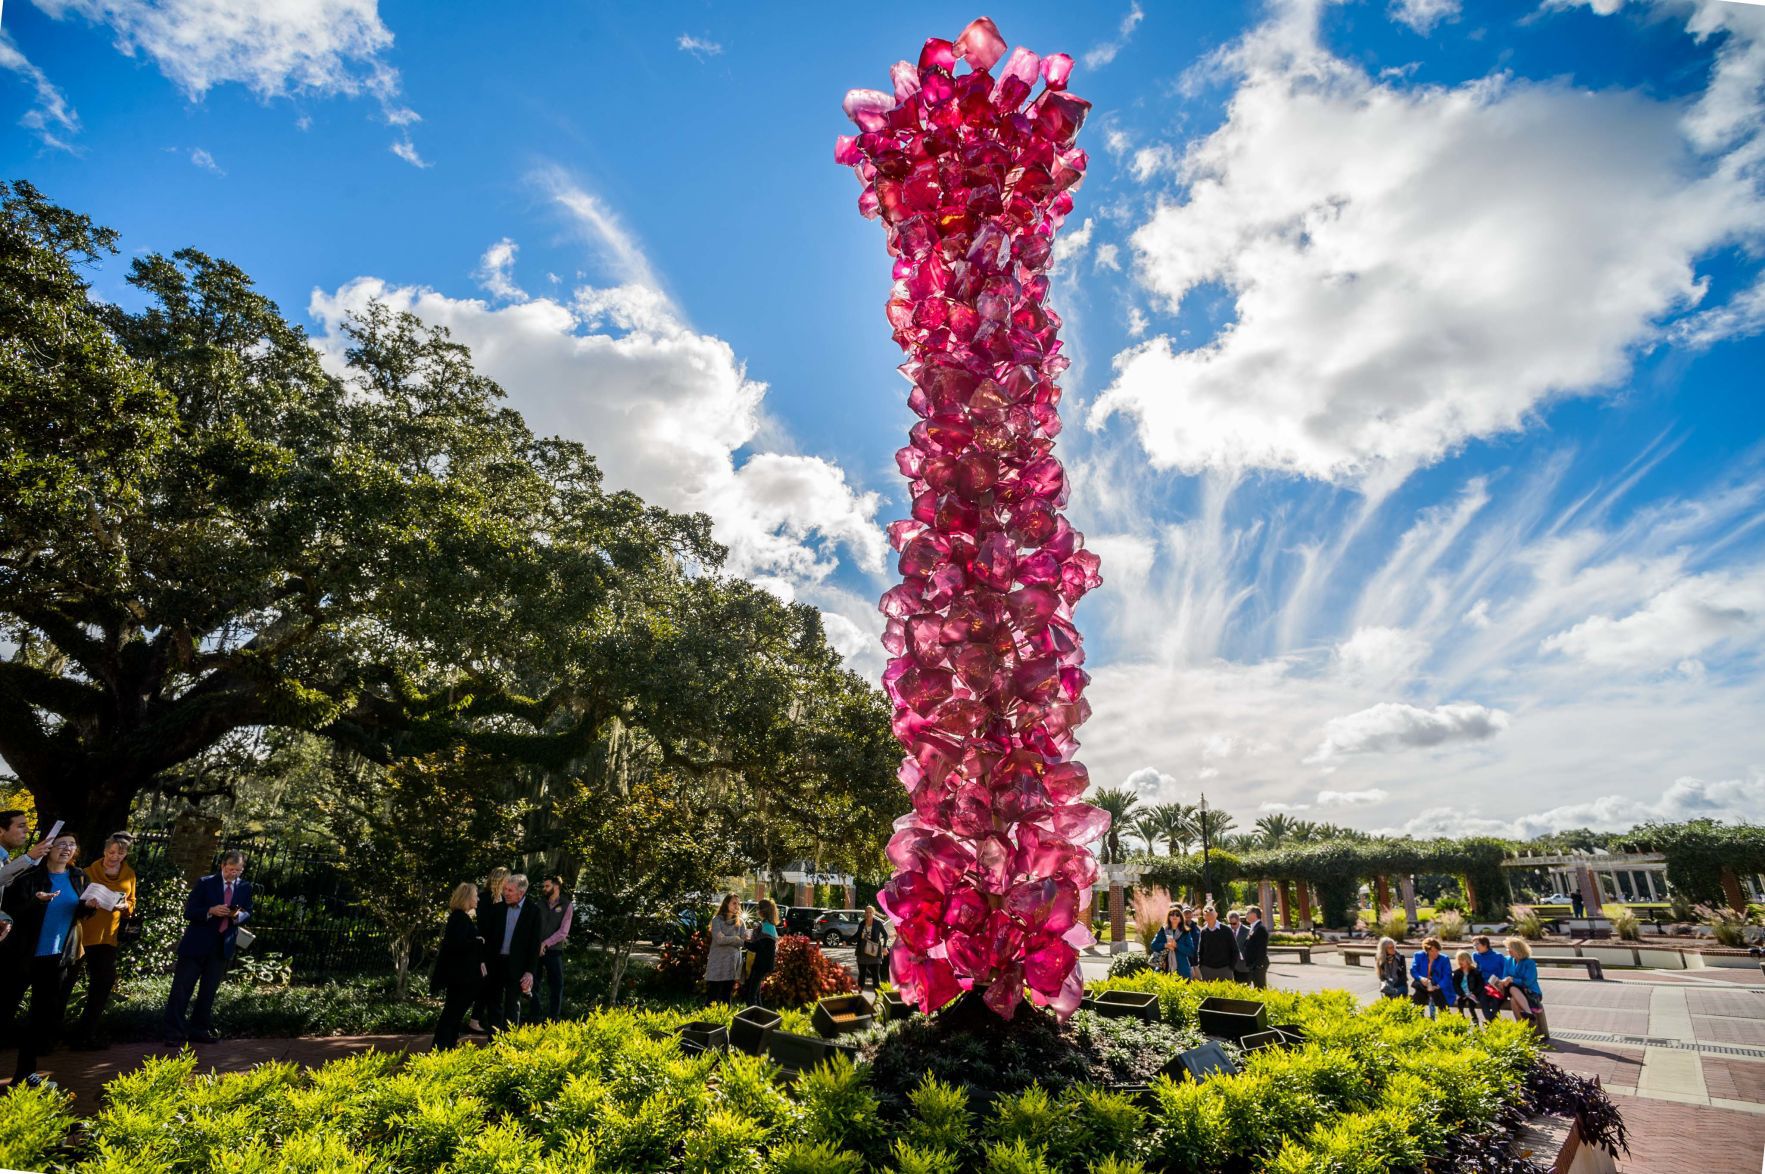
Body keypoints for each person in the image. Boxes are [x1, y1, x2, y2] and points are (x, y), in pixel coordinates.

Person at [6, 833, 95, 1088]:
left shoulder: (78, 877)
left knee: (40, 1019)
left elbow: (78, 913)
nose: (67, 849)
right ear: (48, 848)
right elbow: (11, 909)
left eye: (71, 845)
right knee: (4, 1012)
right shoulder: (29, 876)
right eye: (61, 844)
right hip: (23, 956)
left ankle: (24, 1075)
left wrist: (89, 906)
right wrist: (36, 901)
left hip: (56, 959)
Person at [163, 849, 253, 1046]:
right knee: (182, 989)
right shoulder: (205, 883)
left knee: (208, 991)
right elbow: (190, 911)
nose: (234, 874)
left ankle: (199, 1030)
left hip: (222, 946)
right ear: (222, 866)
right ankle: (174, 1032)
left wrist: (237, 915)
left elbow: (248, 911)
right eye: (230, 870)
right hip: (197, 944)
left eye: (238, 871)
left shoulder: (245, 887)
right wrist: (210, 911)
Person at [70, 834, 136, 1049]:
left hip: (107, 936)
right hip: (83, 933)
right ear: (104, 851)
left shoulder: (128, 875)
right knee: (66, 982)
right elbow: (74, 902)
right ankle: (49, 1034)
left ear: (126, 854)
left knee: (103, 983)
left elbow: (132, 903)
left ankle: (85, 1034)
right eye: (111, 852)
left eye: (120, 853)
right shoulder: (88, 872)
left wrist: (126, 907)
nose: (114, 856)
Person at [480, 873, 541, 1036]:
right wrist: (484, 961)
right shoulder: (498, 909)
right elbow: (489, 938)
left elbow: (535, 944)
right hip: (496, 963)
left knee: (512, 1005)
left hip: (517, 966)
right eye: (505, 889)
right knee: (494, 1003)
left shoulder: (534, 911)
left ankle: (508, 1044)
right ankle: (493, 1043)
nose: (505, 893)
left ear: (521, 893)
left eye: (510, 890)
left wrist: (530, 971)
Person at [431, 882, 486, 1049]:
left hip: (460, 977)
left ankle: (447, 1048)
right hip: (460, 978)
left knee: (454, 1015)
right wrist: (478, 942)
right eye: (476, 895)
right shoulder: (459, 918)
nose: (478, 899)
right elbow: (457, 944)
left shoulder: (459, 917)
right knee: (452, 1015)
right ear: (468, 897)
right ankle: (441, 1048)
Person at [469, 865, 511, 1035]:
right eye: (508, 878)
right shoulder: (485, 898)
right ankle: (475, 1019)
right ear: (500, 879)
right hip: (487, 950)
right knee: (484, 985)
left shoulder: (504, 899)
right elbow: (486, 925)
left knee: (491, 988)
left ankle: (477, 1019)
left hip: (499, 950)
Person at [530, 876, 574, 1022]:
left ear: (556, 887)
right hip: (537, 951)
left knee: (557, 985)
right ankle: (534, 1017)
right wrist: (538, 944)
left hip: (554, 951)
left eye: (547, 886)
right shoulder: (539, 904)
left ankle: (553, 1019)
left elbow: (563, 932)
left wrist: (545, 943)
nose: (544, 889)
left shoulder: (567, 905)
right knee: (533, 984)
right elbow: (533, 926)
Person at [1498, 936, 1549, 1041]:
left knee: (1513, 999)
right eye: (1507, 948)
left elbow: (1529, 981)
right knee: (1512, 989)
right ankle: (1527, 1018)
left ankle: (1523, 1029)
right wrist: (1504, 981)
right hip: (1514, 990)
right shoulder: (1507, 960)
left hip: (1530, 992)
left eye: (1510, 948)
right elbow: (1504, 975)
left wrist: (1513, 979)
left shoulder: (1529, 963)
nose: (1508, 951)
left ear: (1518, 949)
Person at [705, 894, 746, 1003]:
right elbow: (719, 940)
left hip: (732, 963)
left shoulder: (741, 922)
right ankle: (707, 1017)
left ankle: (725, 1018)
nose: (737, 906)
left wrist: (730, 939)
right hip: (717, 962)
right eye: (734, 903)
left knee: (726, 996)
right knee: (712, 995)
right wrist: (735, 938)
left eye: (738, 904)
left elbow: (743, 942)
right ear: (726, 904)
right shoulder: (716, 920)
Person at [742, 898, 779, 1006]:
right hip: (767, 963)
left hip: (761, 963)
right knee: (756, 991)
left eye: (757, 908)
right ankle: (759, 1012)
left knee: (751, 993)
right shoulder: (770, 925)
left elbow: (756, 947)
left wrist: (743, 942)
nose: (756, 911)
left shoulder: (763, 926)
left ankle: (753, 1015)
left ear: (761, 911)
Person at [1409, 936, 1454, 1018]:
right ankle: (1418, 1020)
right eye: (1432, 951)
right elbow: (1413, 970)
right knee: (1418, 999)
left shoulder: (1444, 959)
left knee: (1442, 1002)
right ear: (1427, 950)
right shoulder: (1418, 956)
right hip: (1423, 985)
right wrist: (1421, 978)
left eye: (1437, 950)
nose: (1435, 953)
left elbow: (1447, 976)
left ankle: (1445, 1022)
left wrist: (1437, 986)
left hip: (1438, 986)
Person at [1470, 934, 1508, 1021]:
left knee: (1495, 1003)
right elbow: (1477, 970)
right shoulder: (1476, 956)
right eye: (1474, 945)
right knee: (1483, 1001)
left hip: (1497, 986)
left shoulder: (1499, 956)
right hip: (1484, 986)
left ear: (1485, 944)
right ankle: (1491, 1023)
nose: (1475, 947)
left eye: (1477, 944)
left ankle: (1494, 1025)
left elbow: (1505, 972)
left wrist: (1501, 983)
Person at [1195, 905, 1238, 982]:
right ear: (1204, 917)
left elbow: (1235, 950)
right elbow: (1200, 950)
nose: (1209, 914)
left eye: (1211, 912)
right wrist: (1201, 966)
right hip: (1207, 970)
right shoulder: (1203, 931)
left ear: (1216, 914)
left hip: (1225, 969)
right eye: (1206, 913)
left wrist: (1231, 967)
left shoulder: (1226, 930)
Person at [854, 906, 889, 990]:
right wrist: (846, 940)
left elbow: (885, 935)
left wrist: (884, 946)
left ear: (873, 913)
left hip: (874, 951)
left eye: (870, 912)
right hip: (862, 951)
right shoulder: (862, 923)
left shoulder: (878, 923)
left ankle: (878, 996)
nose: (868, 914)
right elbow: (857, 935)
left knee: (875, 975)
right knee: (862, 974)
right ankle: (859, 994)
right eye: (867, 912)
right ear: (865, 913)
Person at [1150, 908, 1191, 977]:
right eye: (1172, 914)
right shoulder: (1163, 930)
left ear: (1181, 918)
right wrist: (1165, 945)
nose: (1174, 916)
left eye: (1177, 915)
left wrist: (1177, 945)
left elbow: (1191, 951)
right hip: (1163, 968)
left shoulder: (1185, 932)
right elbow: (1153, 945)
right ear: (1168, 917)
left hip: (1181, 970)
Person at [1450, 950, 1487, 1025]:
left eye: (1462, 960)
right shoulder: (1457, 973)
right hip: (1462, 994)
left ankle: (1476, 1024)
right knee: (1460, 1007)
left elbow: (1480, 984)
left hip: (1472, 994)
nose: (1460, 962)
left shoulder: (1475, 972)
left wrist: (1474, 993)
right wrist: (1461, 994)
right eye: (1459, 960)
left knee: (1471, 1008)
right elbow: (1455, 985)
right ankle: (1462, 1023)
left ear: (1468, 960)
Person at [1242, 905, 1270, 989]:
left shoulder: (1260, 928)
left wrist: (1258, 965)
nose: (1246, 915)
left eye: (1248, 913)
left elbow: (1262, 949)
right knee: (1256, 988)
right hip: (1252, 964)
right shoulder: (1254, 927)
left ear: (1254, 915)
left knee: (1260, 988)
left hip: (1257, 965)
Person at [1228, 910, 1251, 984]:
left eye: (1234, 923)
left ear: (1239, 920)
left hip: (1244, 967)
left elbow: (1250, 948)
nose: (1232, 925)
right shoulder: (1226, 930)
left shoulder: (1248, 931)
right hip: (1230, 967)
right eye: (1230, 923)